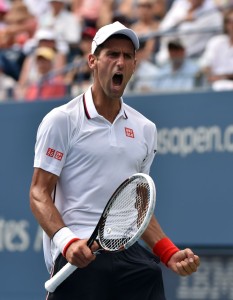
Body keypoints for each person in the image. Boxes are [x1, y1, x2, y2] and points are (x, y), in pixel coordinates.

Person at [29, 21, 200, 300]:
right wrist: (67, 241)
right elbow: (39, 193)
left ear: (134, 65)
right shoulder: (61, 120)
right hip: (78, 254)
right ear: (92, 61)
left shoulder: (145, 129)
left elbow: (137, 208)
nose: (120, 62)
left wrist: (169, 252)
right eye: (112, 54)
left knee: (150, 271)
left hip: (126, 253)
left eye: (127, 56)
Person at [199, 8, 233, 91]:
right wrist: (209, 74)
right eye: (230, 22)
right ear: (225, 24)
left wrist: (223, 77)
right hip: (215, 87)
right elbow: (205, 64)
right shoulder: (215, 42)